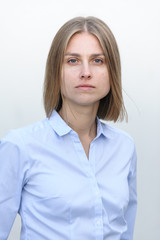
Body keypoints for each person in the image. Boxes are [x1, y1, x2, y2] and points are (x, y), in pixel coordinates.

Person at [0, 16, 137, 240]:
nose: (86, 72)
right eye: (73, 61)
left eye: (98, 60)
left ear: (112, 71)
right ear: (56, 70)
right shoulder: (19, 146)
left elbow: (125, 233)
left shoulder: (124, 148)